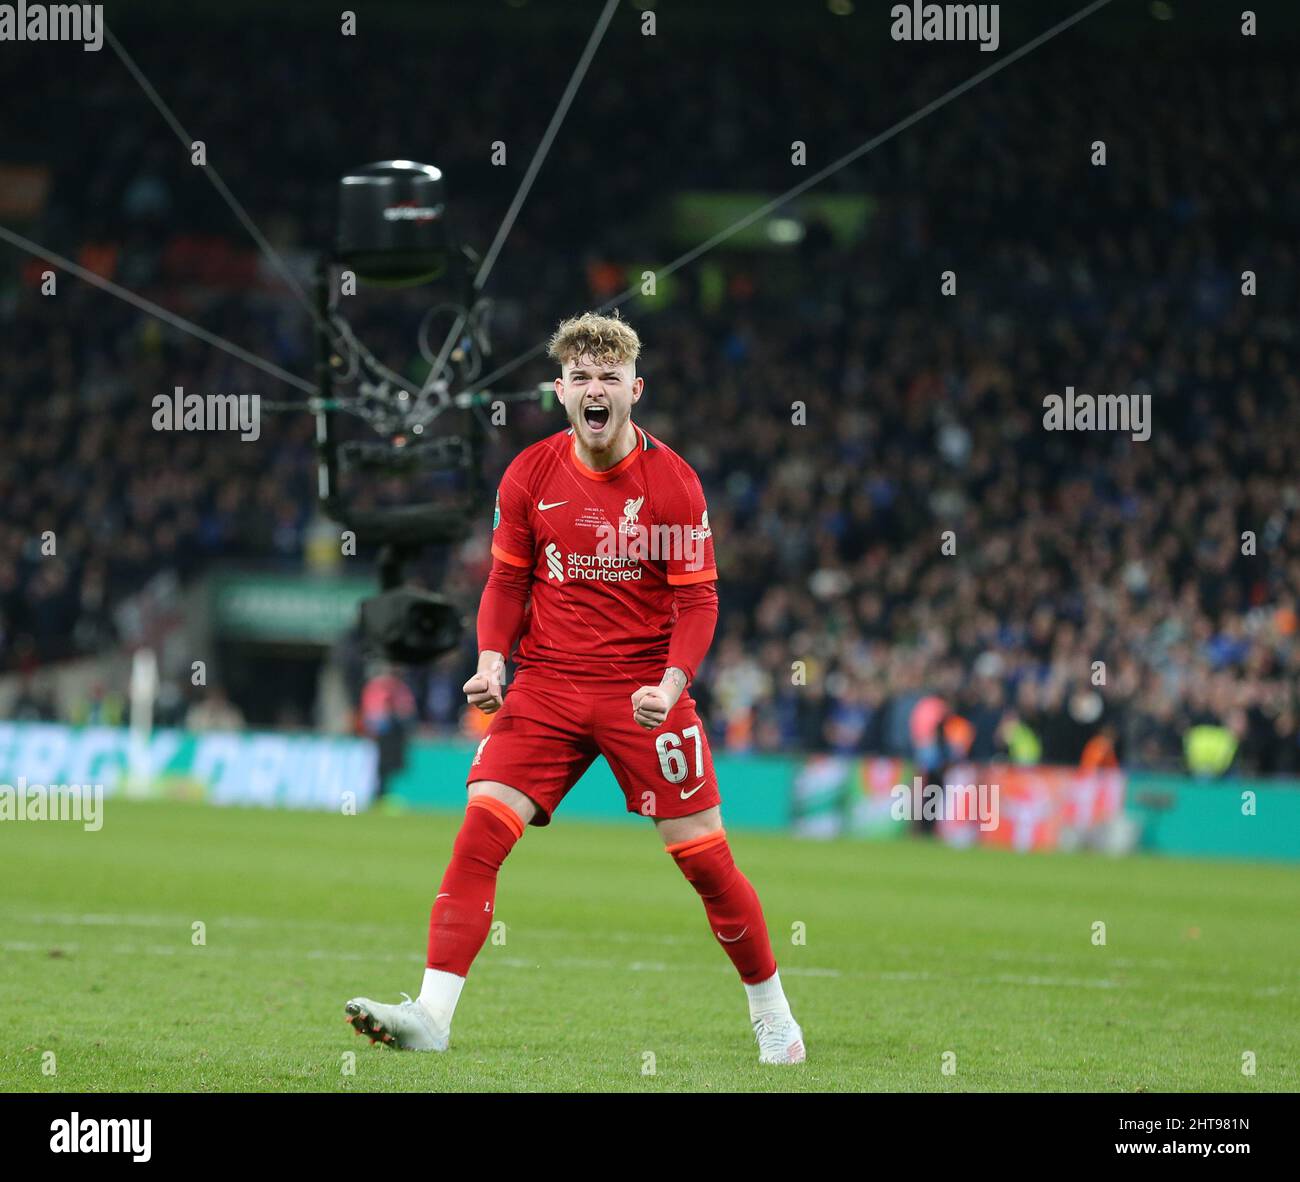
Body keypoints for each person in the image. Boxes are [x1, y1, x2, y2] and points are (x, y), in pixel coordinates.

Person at [345, 311, 805, 1064]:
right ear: (561, 391)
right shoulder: (529, 473)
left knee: (708, 864)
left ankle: (774, 1014)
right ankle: (431, 1014)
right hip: (549, 686)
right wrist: (493, 660)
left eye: (610, 378)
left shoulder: (674, 485)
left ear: (635, 389)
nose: (596, 389)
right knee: (478, 837)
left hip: (642, 694)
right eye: (582, 378)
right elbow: (505, 581)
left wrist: (672, 680)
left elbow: (698, 601)